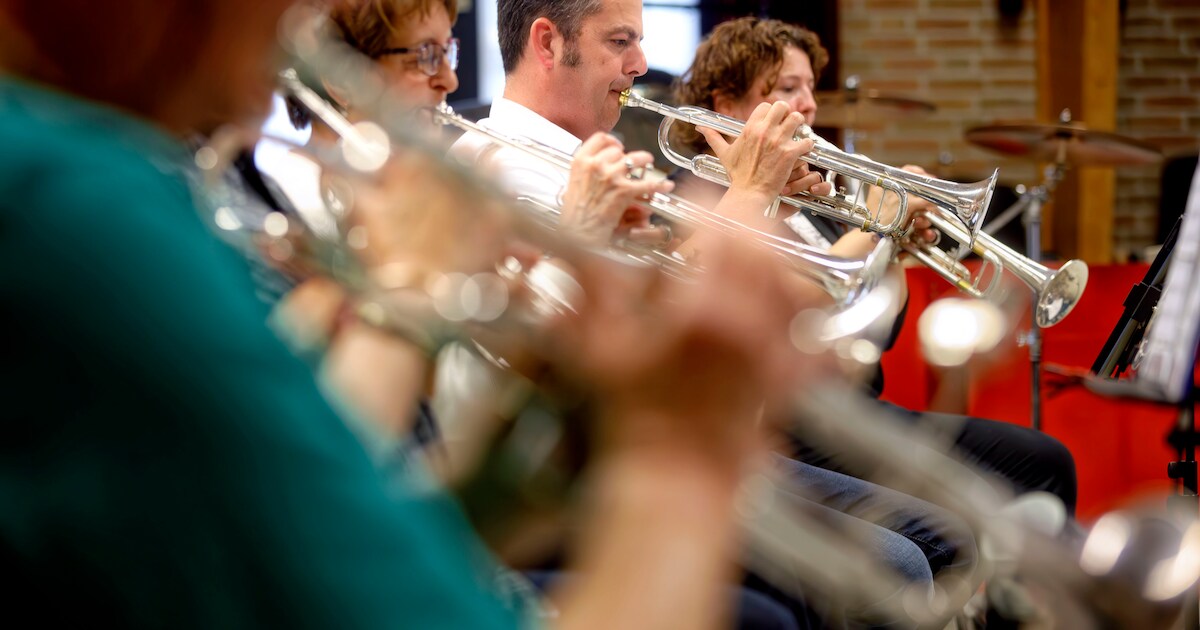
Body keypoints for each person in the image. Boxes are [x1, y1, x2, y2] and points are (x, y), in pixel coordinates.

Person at [0, 1, 825, 628]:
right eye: (424, 53)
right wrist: (679, 461)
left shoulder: (104, 181)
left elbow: (289, 533)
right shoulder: (76, 202)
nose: (294, 24)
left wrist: (499, 490)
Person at [448, 0, 987, 625]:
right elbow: (637, 347)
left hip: (667, 440)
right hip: (601, 474)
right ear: (547, 43)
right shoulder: (502, 169)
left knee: (930, 542)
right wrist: (749, 196)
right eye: (620, 42)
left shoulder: (583, 160)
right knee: (899, 563)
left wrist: (764, 209)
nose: (641, 64)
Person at [671, 16, 1078, 516]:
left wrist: (896, 251)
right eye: (786, 88)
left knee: (1045, 459)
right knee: (994, 489)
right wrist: (876, 231)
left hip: (853, 409)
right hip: (791, 427)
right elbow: (795, 324)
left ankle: (1008, 594)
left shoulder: (814, 194)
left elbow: (875, 330)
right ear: (726, 106)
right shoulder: (698, 196)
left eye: (811, 88)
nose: (809, 104)